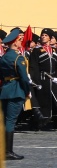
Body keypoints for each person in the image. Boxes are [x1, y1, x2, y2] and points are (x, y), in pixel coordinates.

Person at [0, 29, 30, 160]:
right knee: (11, 121)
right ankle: (8, 151)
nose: (21, 42)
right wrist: (27, 90)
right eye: (19, 40)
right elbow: (24, 78)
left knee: (6, 120)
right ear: (15, 42)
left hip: (5, 89)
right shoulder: (18, 58)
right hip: (16, 90)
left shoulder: (4, 57)